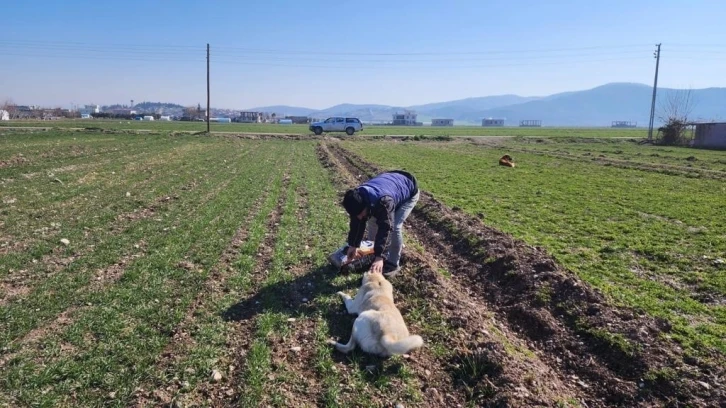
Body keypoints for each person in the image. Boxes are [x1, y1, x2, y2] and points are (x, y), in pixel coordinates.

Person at [341, 170, 420, 276]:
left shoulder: (384, 202)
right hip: (389, 182)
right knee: (372, 222)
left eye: (360, 213)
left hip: (408, 188)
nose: (359, 217)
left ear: (365, 205)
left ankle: (392, 264)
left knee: (395, 226)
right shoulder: (356, 199)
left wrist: (380, 256)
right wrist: (353, 245)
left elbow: (386, 228)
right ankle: (372, 254)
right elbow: (357, 222)